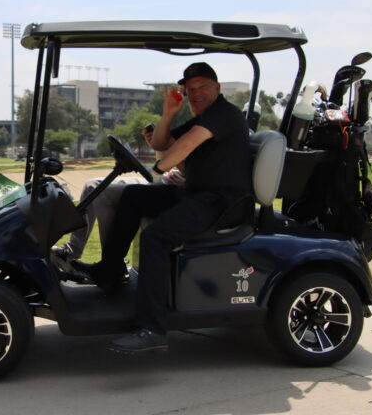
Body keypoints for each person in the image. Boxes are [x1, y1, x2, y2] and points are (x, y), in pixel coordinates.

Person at [72, 62, 252, 353]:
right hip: (197, 195)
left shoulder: (224, 115)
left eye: (202, 87)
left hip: (222, 202)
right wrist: (169, 113)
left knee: (156, 237)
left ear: (217, 88)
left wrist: (159, 168)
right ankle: (108, 273)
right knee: (132, 195)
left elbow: (184, 146)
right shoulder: (202, 117)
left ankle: (152, 328)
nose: (195, 93)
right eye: (190, 89)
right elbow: (161, 141)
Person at [51, 129, 185, 268]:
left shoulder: (199, 133)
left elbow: (186, 169)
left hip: (174, 188)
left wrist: (167, 145)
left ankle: (110, 266)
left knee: (106, 191)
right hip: (164, 179)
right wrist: (158, 145)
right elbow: (163, 165)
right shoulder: (189, 130)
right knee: (92, 186)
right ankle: (71, 251)